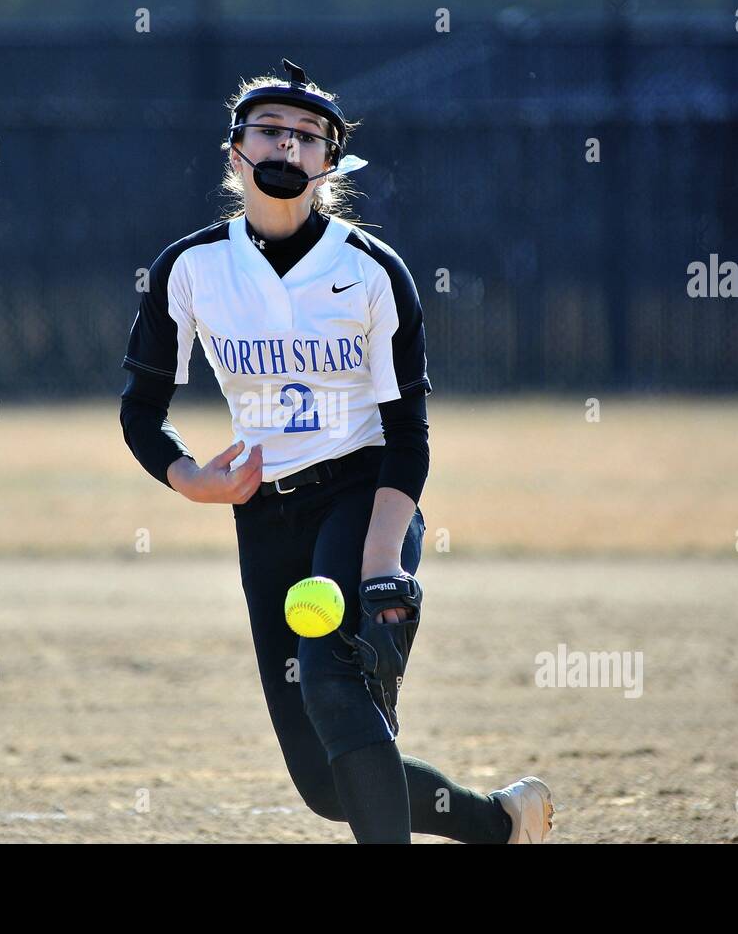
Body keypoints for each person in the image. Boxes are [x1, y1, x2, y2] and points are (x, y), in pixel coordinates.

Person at [119, 59, 554, 844]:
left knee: (331, 677)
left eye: (307, 134)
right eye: (269, 129)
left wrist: (384, 559)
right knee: (326, 784)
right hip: (263, 513)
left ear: (329, 161)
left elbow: (410, 437)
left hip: (364, 494)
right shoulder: (190, 268)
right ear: (234, 151)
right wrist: (191, 480)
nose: (287, 143)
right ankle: (501, 825)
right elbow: (142, 411)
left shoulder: (371, 269)